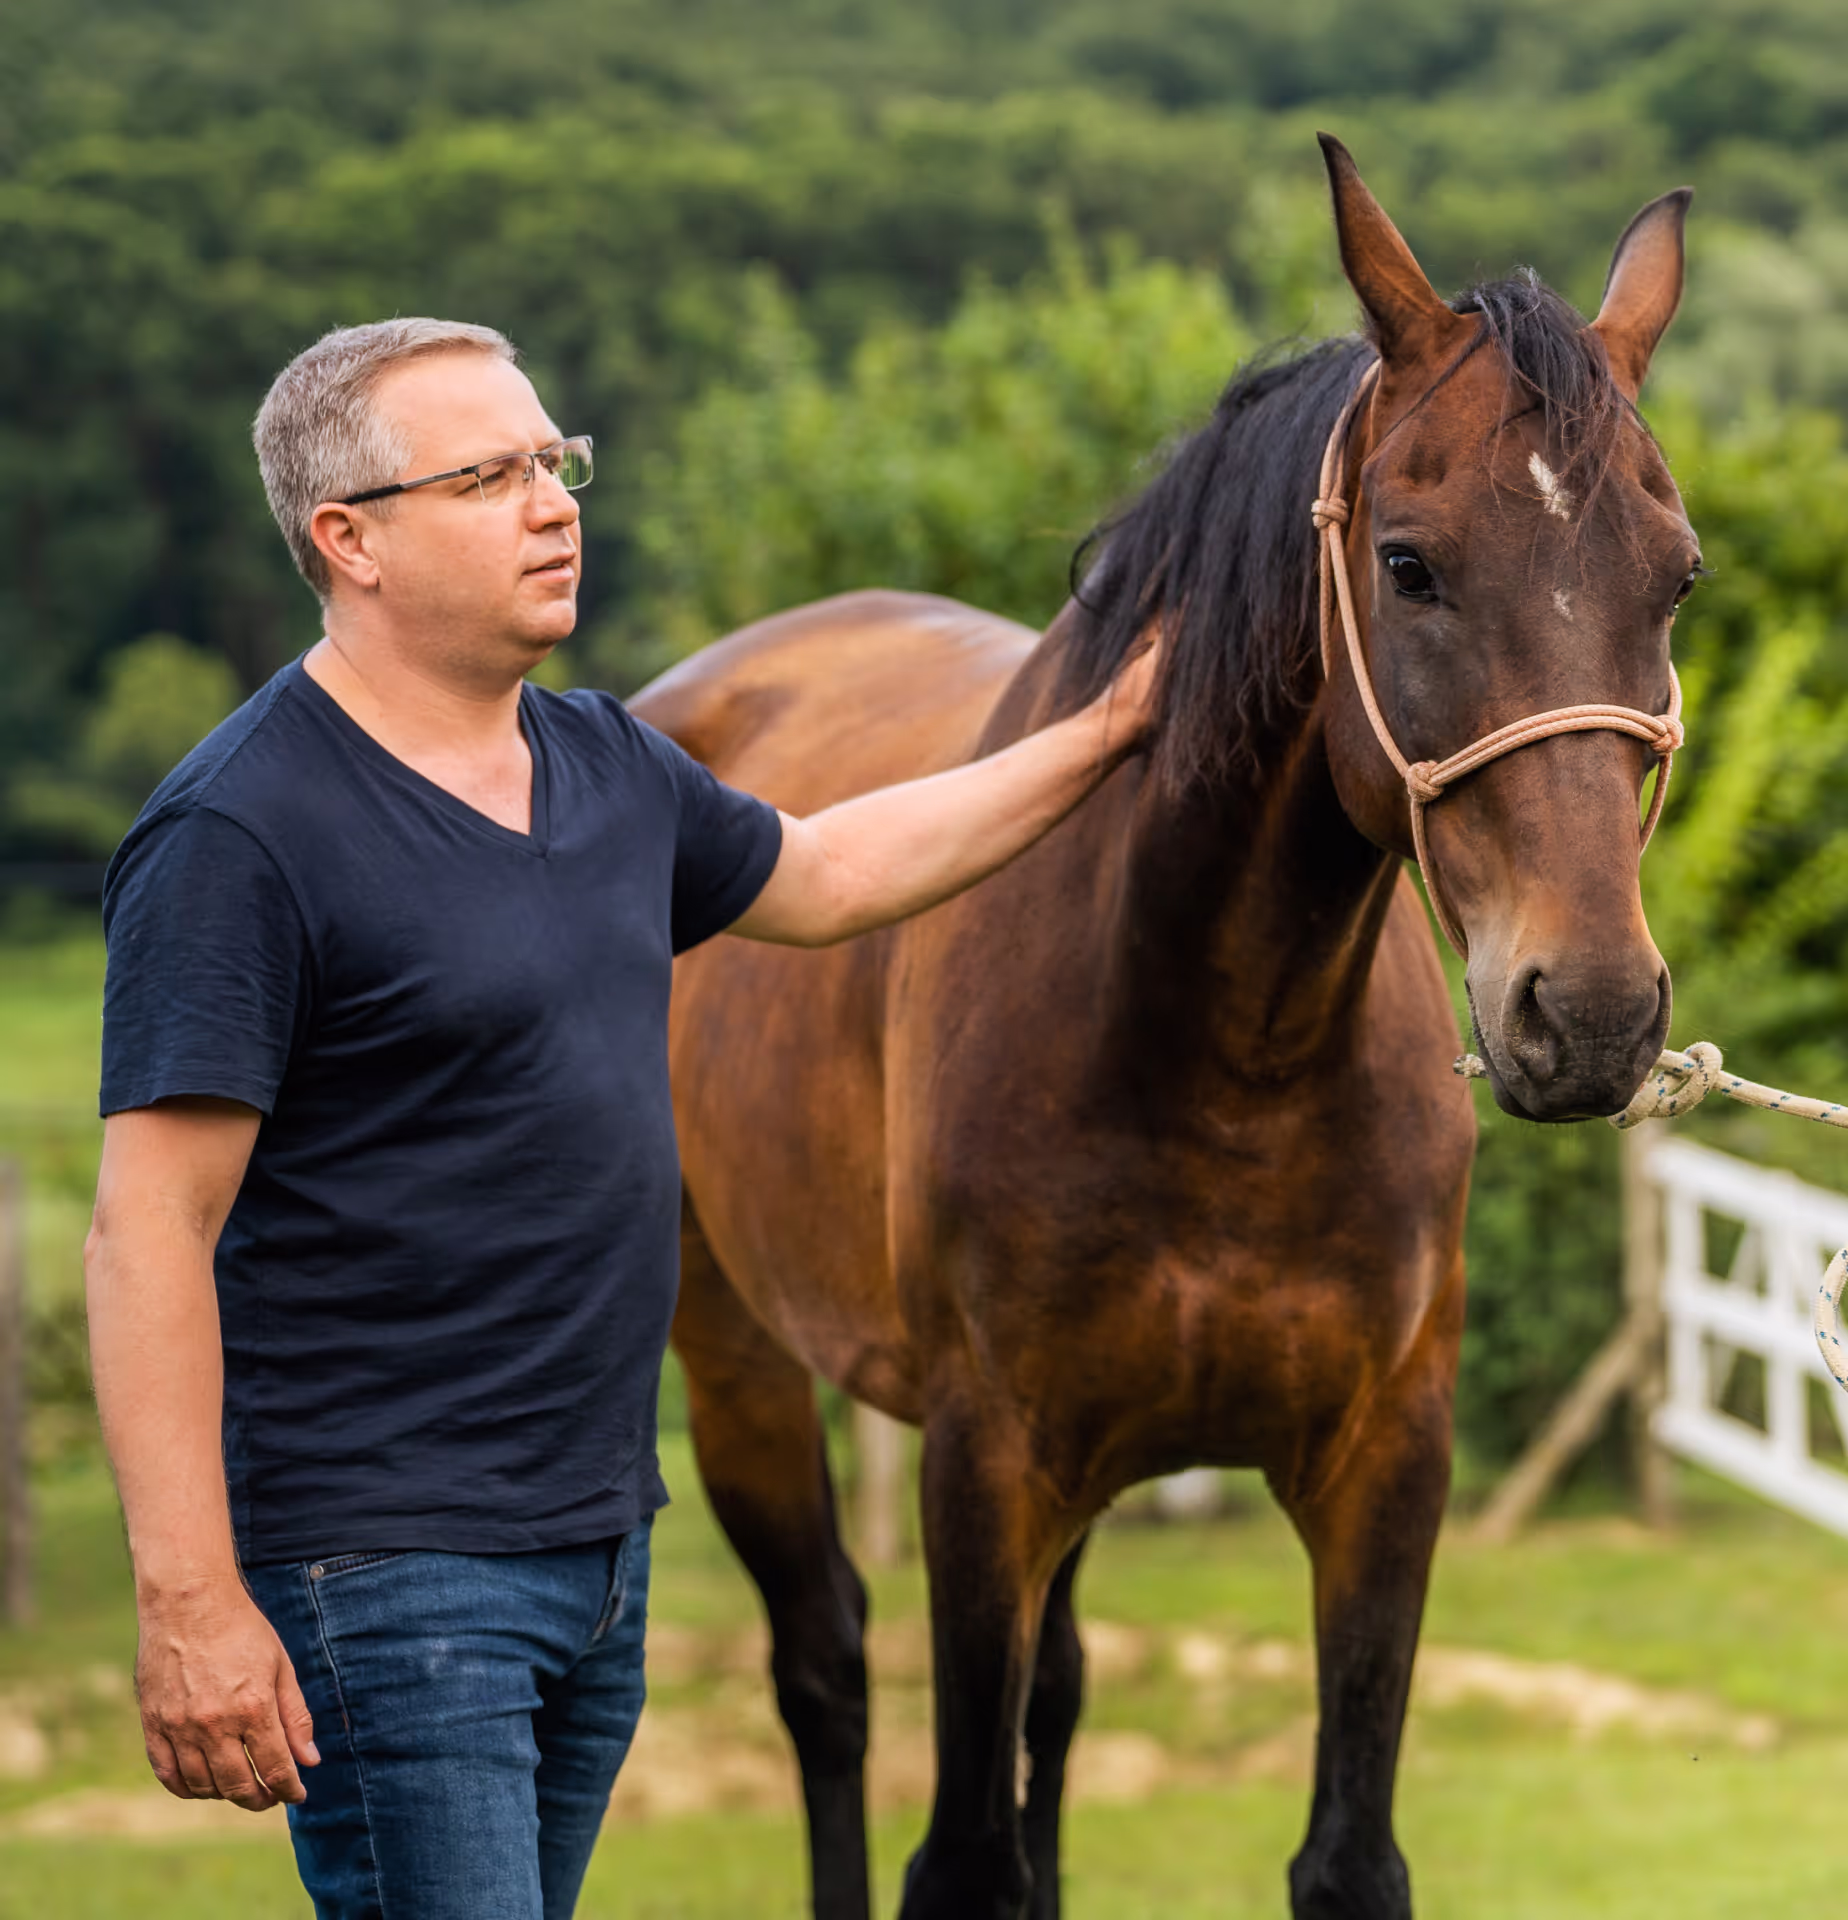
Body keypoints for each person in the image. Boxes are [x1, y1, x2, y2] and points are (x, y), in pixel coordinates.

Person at [84, 317, 1156, 1919]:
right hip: (390, 1571)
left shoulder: (602, 765)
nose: (553, 504)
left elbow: (835, 871)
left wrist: (1109, 729)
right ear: (349, 539)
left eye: (556, 461)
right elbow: (146, 1231)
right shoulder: (240, 833)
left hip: (596, 1549)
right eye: (488, 476)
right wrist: (189, 1601)